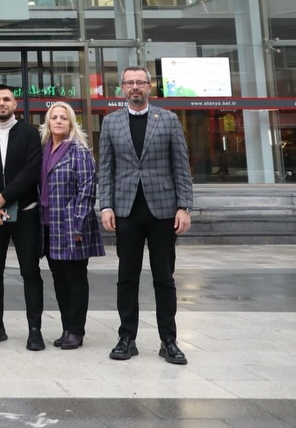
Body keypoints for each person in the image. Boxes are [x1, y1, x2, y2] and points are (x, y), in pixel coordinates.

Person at [97, 65, 194, 365]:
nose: (135, 87)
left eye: (140, 82)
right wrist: (105, 206)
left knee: (164, 277)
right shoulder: (111, 122)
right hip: (126, 210)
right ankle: (127, 337)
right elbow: (106, 169)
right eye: (129, 83)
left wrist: (184, 207)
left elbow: (181, 166)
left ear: (150, 87)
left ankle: (169, 340)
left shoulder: (168, 119)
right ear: (122, 88)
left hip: (163, 210)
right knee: (127, 277)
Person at [0, 83, 45, 350]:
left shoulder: (30, 133)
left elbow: (31, 171)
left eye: (6, 99)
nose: (1, 103)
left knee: (30, 271)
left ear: (15, 104)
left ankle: (34, 329)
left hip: (25, 212)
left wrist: (3, 197)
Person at [38, 101, 104, 350]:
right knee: (59, 279)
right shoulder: (43, 149)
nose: (58, 121)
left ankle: (76, 330)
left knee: (75, 279)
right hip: (48, 225)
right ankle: (67, 327)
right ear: (48, 122)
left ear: (71, 123)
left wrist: (78, 224)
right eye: (54, 117)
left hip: (71, 225)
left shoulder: (79, 151)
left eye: (63, 118)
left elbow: (87, 191)